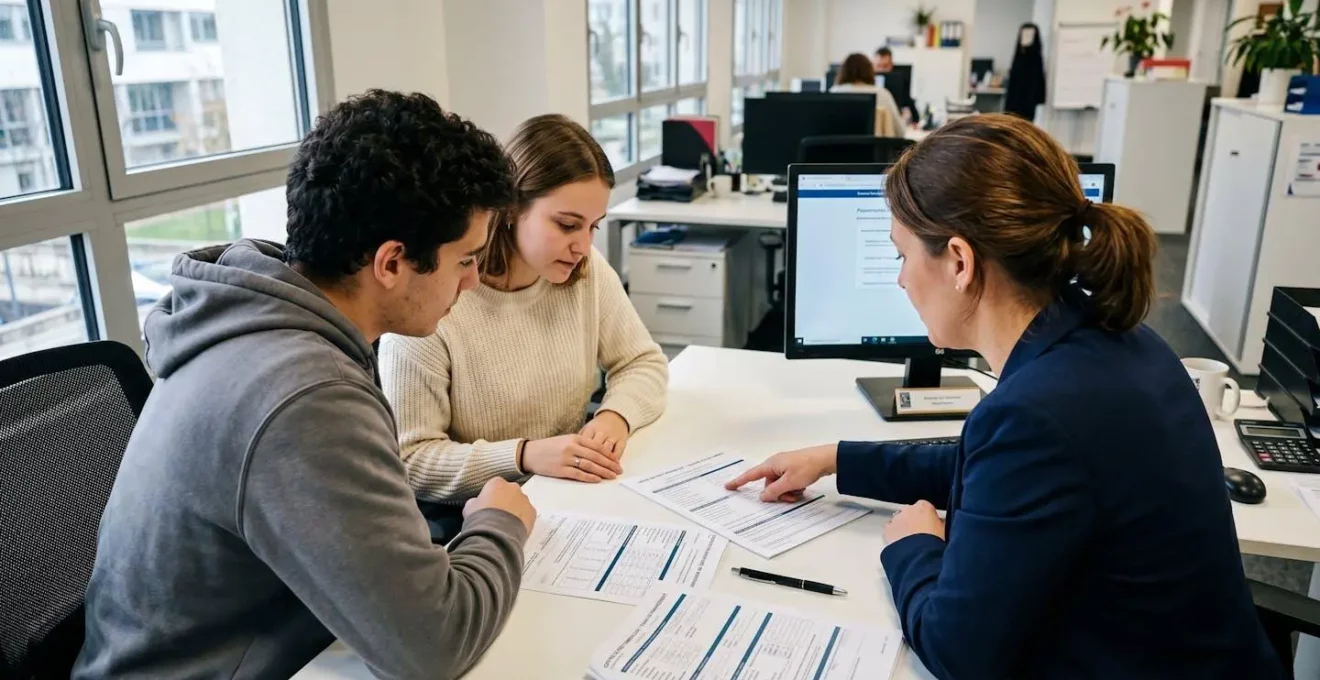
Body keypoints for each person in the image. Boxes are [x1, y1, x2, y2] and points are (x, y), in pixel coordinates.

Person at [725, 114, 1282, 679]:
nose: (899, 280)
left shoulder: (1035, 413)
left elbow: (957, 652)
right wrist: (838, 460)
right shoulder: (1118, 340)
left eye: (902, 255)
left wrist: (912, 547)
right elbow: (991, 471)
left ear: (961, 263)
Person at [74, 91, 538, 680]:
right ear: (391, 263)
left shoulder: (265, 316)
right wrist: (498, 524)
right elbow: (434, 647)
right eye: (465, 261)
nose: (472, 283)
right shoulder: (304, 396)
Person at [379, 114, 667, 537]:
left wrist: (614, 418)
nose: (583, 245)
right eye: (567, 225)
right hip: (476, 518)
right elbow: (412, 460)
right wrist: (524, 456)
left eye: (593, 227)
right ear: (512, 208)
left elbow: (643, 362)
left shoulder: (585, 272)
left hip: (570, 497)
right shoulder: (435, 297)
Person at [830, 52, 904, 137]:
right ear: (870, 70)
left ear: (842, 71)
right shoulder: (883, 94)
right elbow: (900, 132)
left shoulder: (833, 92)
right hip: (875, 150)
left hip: (838, 149)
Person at [1004, 22, 1046, 120]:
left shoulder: (1036, 58)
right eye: (1024, 34)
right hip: (1014, 100)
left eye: (1029, 34)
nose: (1026, 37)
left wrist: (1039, 98)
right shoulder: (1018, 55)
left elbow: (1039, 79)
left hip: (1028, 100)